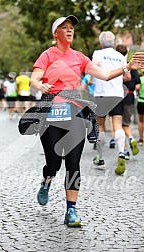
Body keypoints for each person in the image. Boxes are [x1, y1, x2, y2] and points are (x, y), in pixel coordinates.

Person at [28, 15, 144, 227]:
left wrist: (127, 67)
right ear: (56, 33)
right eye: (65, 27)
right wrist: (40, 85)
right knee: (53, 164)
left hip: (74, 113)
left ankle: (71, 210)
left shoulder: (80, 57)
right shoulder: (47, 55)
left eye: (71, 27)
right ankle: (46, 181)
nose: (70, 30)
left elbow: (106, 75)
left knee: (73, 163)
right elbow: (34, 79)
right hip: (51, 112)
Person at [91, 31, 132, 175]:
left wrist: (92, 77)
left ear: (101, 42)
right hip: (117, 94)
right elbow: (127, 76)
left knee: (100, 126)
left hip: (102, 94)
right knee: (118, 125)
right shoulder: (120, 56)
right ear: (113, 42)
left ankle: (100, 157)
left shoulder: (98, 53)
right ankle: (121, 152)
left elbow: (94, 66)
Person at [116, 44, 140, 160]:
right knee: (126, 123)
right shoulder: (132, 66)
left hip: (119, 96)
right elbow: (138, 85)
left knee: (119, 124)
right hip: (130, 97)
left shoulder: (117, 66)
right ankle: (131, 139)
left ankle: (125, 148)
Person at [136, 69, 144, 145]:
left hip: (141, 101)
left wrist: (138, 93)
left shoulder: (140, 79)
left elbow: (137, 88)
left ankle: (141, 139)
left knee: (141, 121)